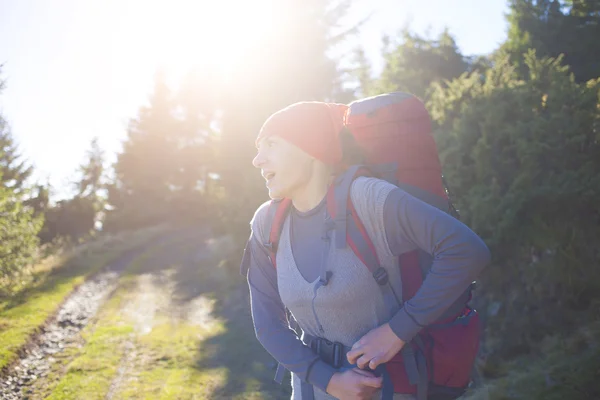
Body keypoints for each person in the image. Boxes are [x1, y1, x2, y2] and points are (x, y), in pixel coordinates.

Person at [241, 101, 491, 400]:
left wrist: (398, 331)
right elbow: (268, 325)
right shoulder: (267, 223)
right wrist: (329, 380)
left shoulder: (368, 199)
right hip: (310, 391)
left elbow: (466, 250)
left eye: (271, 144)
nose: (257, 160)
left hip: (389, 388)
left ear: (310, 148)